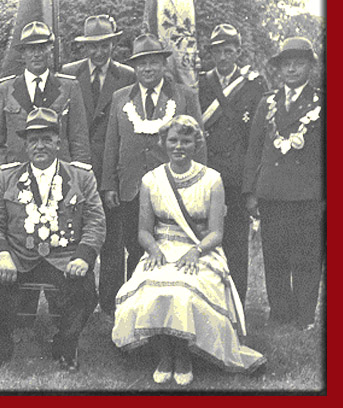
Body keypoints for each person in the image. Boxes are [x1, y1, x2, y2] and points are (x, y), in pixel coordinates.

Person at [112, 115, 265, 386]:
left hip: (201, 249)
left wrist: (195, 251)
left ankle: (183, 357)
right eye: (173, 140)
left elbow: (217, 233)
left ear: (197, 143)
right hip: (161, 247)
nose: (179, 146)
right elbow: (143, 231)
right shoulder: (151, 180)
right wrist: (154, 250)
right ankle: (164, 356)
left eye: (186, 140)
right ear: (163, 143)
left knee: (183, 292)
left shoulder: (212, 179)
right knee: (153, 289)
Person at [0, 107, 106, 376]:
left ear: (59, 143)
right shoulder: (7, 177)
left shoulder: (81, 177)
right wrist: (1, 255)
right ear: (25, 145)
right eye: (33, 140)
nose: (40, 146)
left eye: (46, 139)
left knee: (85, 290)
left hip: (64, 257)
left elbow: (95, 221)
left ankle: (65, 345)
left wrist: (83, 256)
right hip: (18, 257)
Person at [101, 33, 206, 304]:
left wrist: (199, 185)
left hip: (172, 188)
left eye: (153, 63)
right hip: (130, 188)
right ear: (135, 67)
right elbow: (112, 143)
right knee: (134, 248)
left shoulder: (183, 96)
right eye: (141, 64)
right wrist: (109, 184)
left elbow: (199, 143)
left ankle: (165, 302)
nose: (147, 69)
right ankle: (130, 302)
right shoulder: (120, 98)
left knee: (167, 246)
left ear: (163, 65)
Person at [243, 37, 324, 331]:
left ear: (310, 67)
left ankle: (305, 316)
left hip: (307, 194)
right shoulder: (268, 102)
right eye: (286, 64)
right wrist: (250, 192)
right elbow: (254, 149)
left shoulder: (322, 103)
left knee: (306, 255)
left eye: (298, 62)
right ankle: (280, 312)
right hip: (271, 192)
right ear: (278, 69)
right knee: (274, 255)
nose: (291, 69)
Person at [61, 15, 136, 316]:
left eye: (104, 45)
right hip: (75, 167)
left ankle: (110, 301)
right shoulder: (68, 74)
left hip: (111, 169)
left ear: (114, 44)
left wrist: (113, 177)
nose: (98, 53)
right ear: (84, 48)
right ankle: (81, 299)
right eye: (92, 46)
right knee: (76, 236)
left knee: (112, 238)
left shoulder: (128, 75)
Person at [198, 24, 267, 302]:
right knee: (206, 238)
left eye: (229, 51)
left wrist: (252, 183)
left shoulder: (254, 84)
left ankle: (236, 300)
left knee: (237, 243)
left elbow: (258, 136)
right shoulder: (202, 84)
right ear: (211, 54)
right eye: (218, 51)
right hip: (208, 173)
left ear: (238, 51)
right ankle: (208, 297)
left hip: (238, 175)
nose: (224, 57)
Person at [0, 21, 91, 185]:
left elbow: (79, 140)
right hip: (17, 178)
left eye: (42, 48)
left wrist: (77, 179)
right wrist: (1, 177)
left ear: (50, 50)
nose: (37, 54)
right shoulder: (5, 89)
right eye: (31, 48)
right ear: (22, 53)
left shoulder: (68, 87)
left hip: (60, 179)